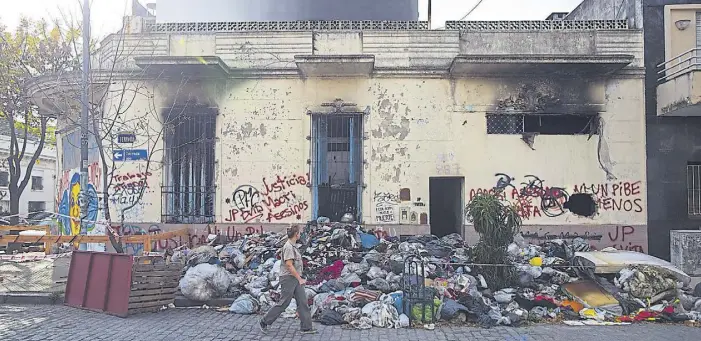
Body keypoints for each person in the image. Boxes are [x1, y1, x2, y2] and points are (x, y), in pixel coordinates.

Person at [259, 225, 316, 334]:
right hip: (288, 278)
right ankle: (264, 321)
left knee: (302, 301)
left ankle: (306, 327)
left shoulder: (293, 246)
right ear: (296, 234)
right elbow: (289, 265)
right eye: (299, 233)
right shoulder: (288, 247)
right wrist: (299, 278)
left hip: (294, 278)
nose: (300, 235)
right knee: (284, 302)